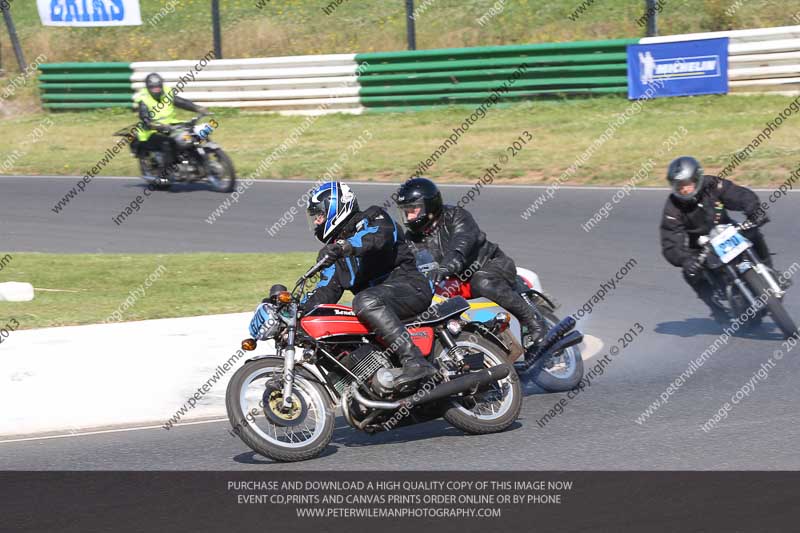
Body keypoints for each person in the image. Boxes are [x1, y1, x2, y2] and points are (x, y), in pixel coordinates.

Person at [303, 181, 437, 391]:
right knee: (328, 328)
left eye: (319, 215)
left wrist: (344, 247)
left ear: (335, 208)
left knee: (364, 300)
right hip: (380, 305)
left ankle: (415, 361)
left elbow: (377, 237)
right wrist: (293, 311)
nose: (317, 222)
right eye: (315, 217)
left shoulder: (373, 217)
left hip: (410, 287)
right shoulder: (332, 254)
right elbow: (325, 290)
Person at [394, 177, 546, 351]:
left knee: (483, 283)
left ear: (429, 206)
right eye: (406, 212)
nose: (409, 217)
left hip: (490, 265)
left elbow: (461, 246)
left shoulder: (456, 216)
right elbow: (408, 262)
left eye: (413, 210)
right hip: (452, 281)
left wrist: (445, 267)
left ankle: (535, 323)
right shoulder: (412, 239)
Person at [660, 156, 775, 322]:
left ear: (697, 178)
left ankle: (768, 270)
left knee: (753, 232)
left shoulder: (712, 185)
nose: (684, 189)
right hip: (701, 246)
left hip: (728, 230)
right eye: (679, 186)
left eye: (688, 183)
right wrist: (685, 260)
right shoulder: (672, 208)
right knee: (690, 273)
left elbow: (739, 195)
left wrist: (754, 211)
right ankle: (716, 307)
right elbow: (670, 240)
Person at [132, 72, 206, 179]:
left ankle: (197, 164)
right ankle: (165, 174)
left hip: (170, 125)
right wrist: (154, 125)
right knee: (167, 143)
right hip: (150, 132)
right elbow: (144, 116)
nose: (156, 89)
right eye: (153, 87)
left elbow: (180, 102)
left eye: (158, 86)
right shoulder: (143, 98)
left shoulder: (166, 92)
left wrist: (197, 108)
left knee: (191, 135)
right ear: (148, 87)